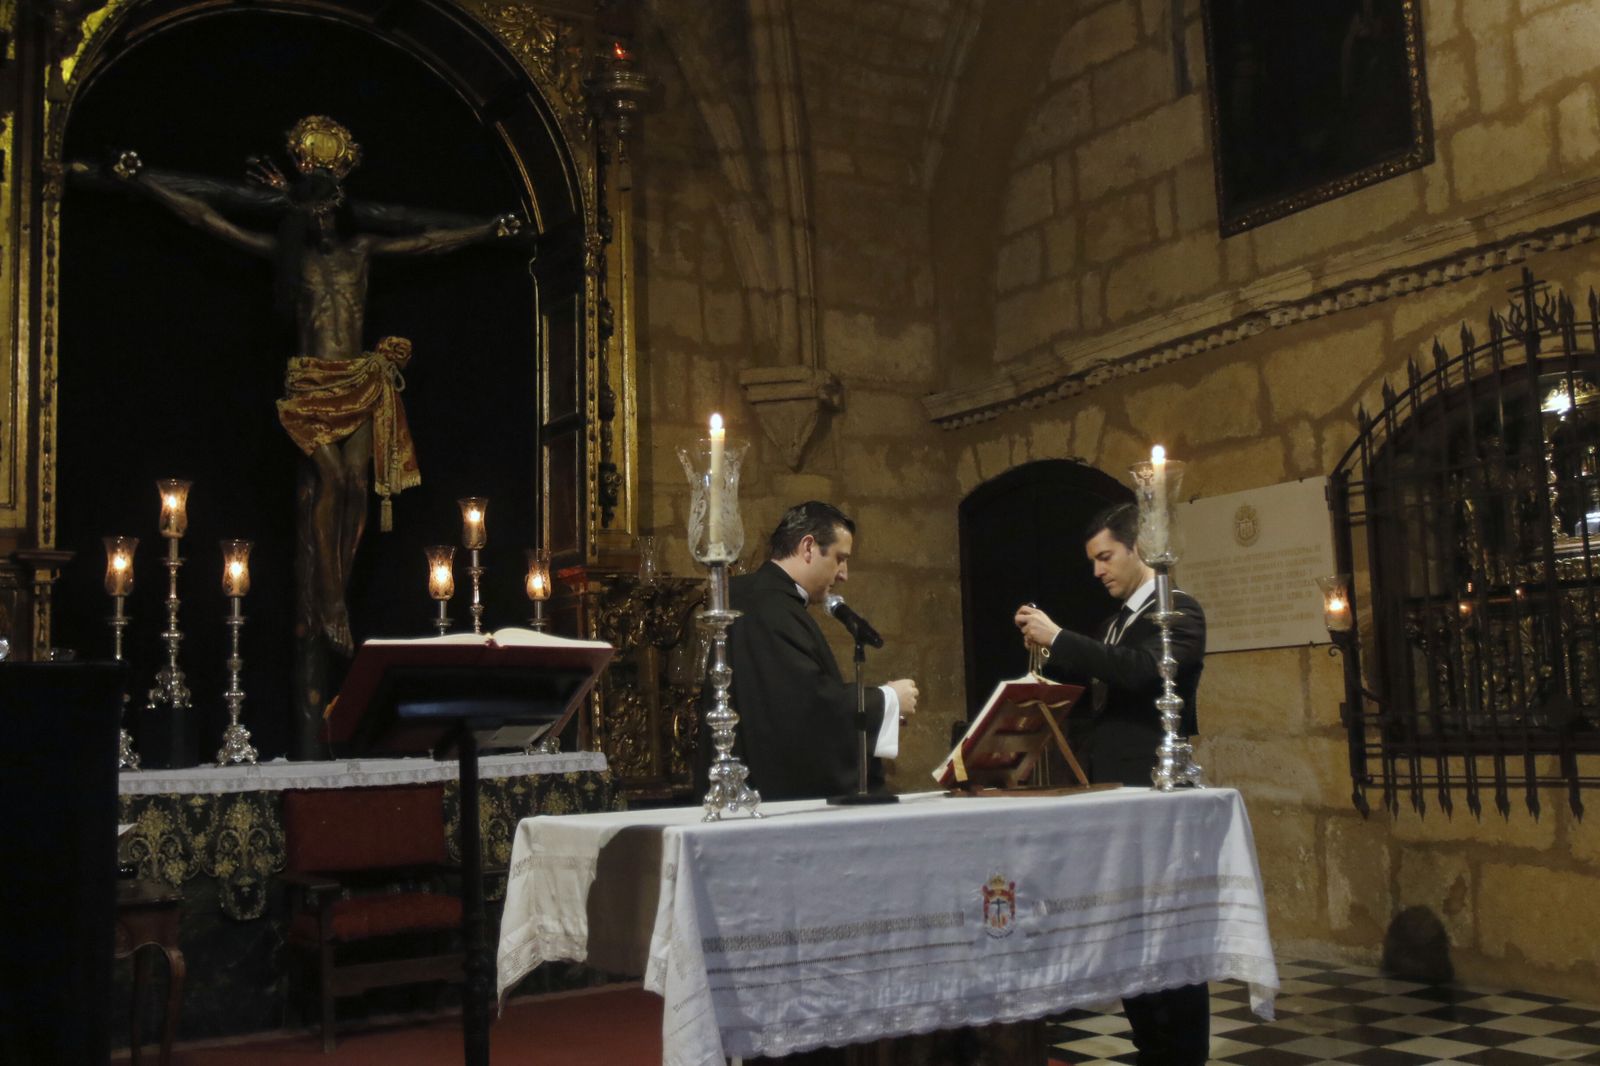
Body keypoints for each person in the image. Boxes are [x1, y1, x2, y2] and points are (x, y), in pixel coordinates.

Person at [85, 117, 523, 656]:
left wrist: (486, 231)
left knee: (360, 488)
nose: (319, 217)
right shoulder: (291, 258)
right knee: (333, 481)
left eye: (325, 207)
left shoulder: (359, 251)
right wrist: (144, 182)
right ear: (298, 211)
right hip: (313, 384)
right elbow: (210, 222)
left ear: (337, 209)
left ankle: (336, 580)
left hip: (360, 380)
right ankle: (332, 599)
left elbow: (425, 243)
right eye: (309, 208)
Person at [1013, 501, 1209, 1066]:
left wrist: (1061, 636)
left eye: (1106, 557)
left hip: (1154, 788)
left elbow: (1138, 670)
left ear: (1138, 549)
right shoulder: (1115, 619)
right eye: (1093, 560)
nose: (1098, 570)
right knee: (1128, 930)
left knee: (1168, 930)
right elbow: (1093, 666)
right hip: (1113, 789)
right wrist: (1040, 646)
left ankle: (1182, 1052)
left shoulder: (1179, 613)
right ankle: (1151, 1044)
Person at [699, 501, 919, 801]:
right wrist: (887, 699)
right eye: (840, 558)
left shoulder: (760, 598)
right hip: (771, 797)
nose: (843, 574)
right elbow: (806, 708)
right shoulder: (771, 608)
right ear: (808, 547)